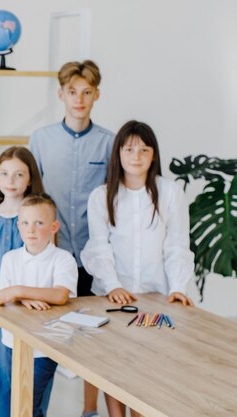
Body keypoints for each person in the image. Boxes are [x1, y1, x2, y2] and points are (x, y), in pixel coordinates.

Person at [81, 120, 194, 417]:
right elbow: (98, 248)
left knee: (150, 369)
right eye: (129, 149)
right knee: (113, 365)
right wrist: (112, 285)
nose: (136, 156)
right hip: (113, 297)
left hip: (156, 297)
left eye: (144, 150)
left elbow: (177, 245)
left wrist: (179, 288)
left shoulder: (170, 193)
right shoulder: (101, 196)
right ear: (118, 152)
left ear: (153, 155)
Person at [29, 60, 114, 417]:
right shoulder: (41, 139)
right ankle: (36, 409)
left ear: (96, 96)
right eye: (72, 92)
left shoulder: (110, 143)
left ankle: (89, 410)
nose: (79, 99)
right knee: (48, 337)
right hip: (53, 254)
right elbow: (32, 195)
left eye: (87, 92)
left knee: (98, 339)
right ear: (61, 94)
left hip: (95, 256)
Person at [0, 193, 78, 417]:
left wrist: (18, 291)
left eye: (39, 223)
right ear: (18, 225)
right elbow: (2, 298)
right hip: (11, 342)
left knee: (29, 404)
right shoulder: (10, 259)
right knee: (13, 400)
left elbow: (60, 295)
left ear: (54, 226)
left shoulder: (63, 259)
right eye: (25, 223)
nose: (31, 229)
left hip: (45, 347)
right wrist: (23, 298)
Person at [0, 146, 44, 417]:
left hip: (31, 308)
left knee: (31, 380)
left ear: (30, 179)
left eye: (18, 174)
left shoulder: (38, 215)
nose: (10, 181)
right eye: (4, 173)